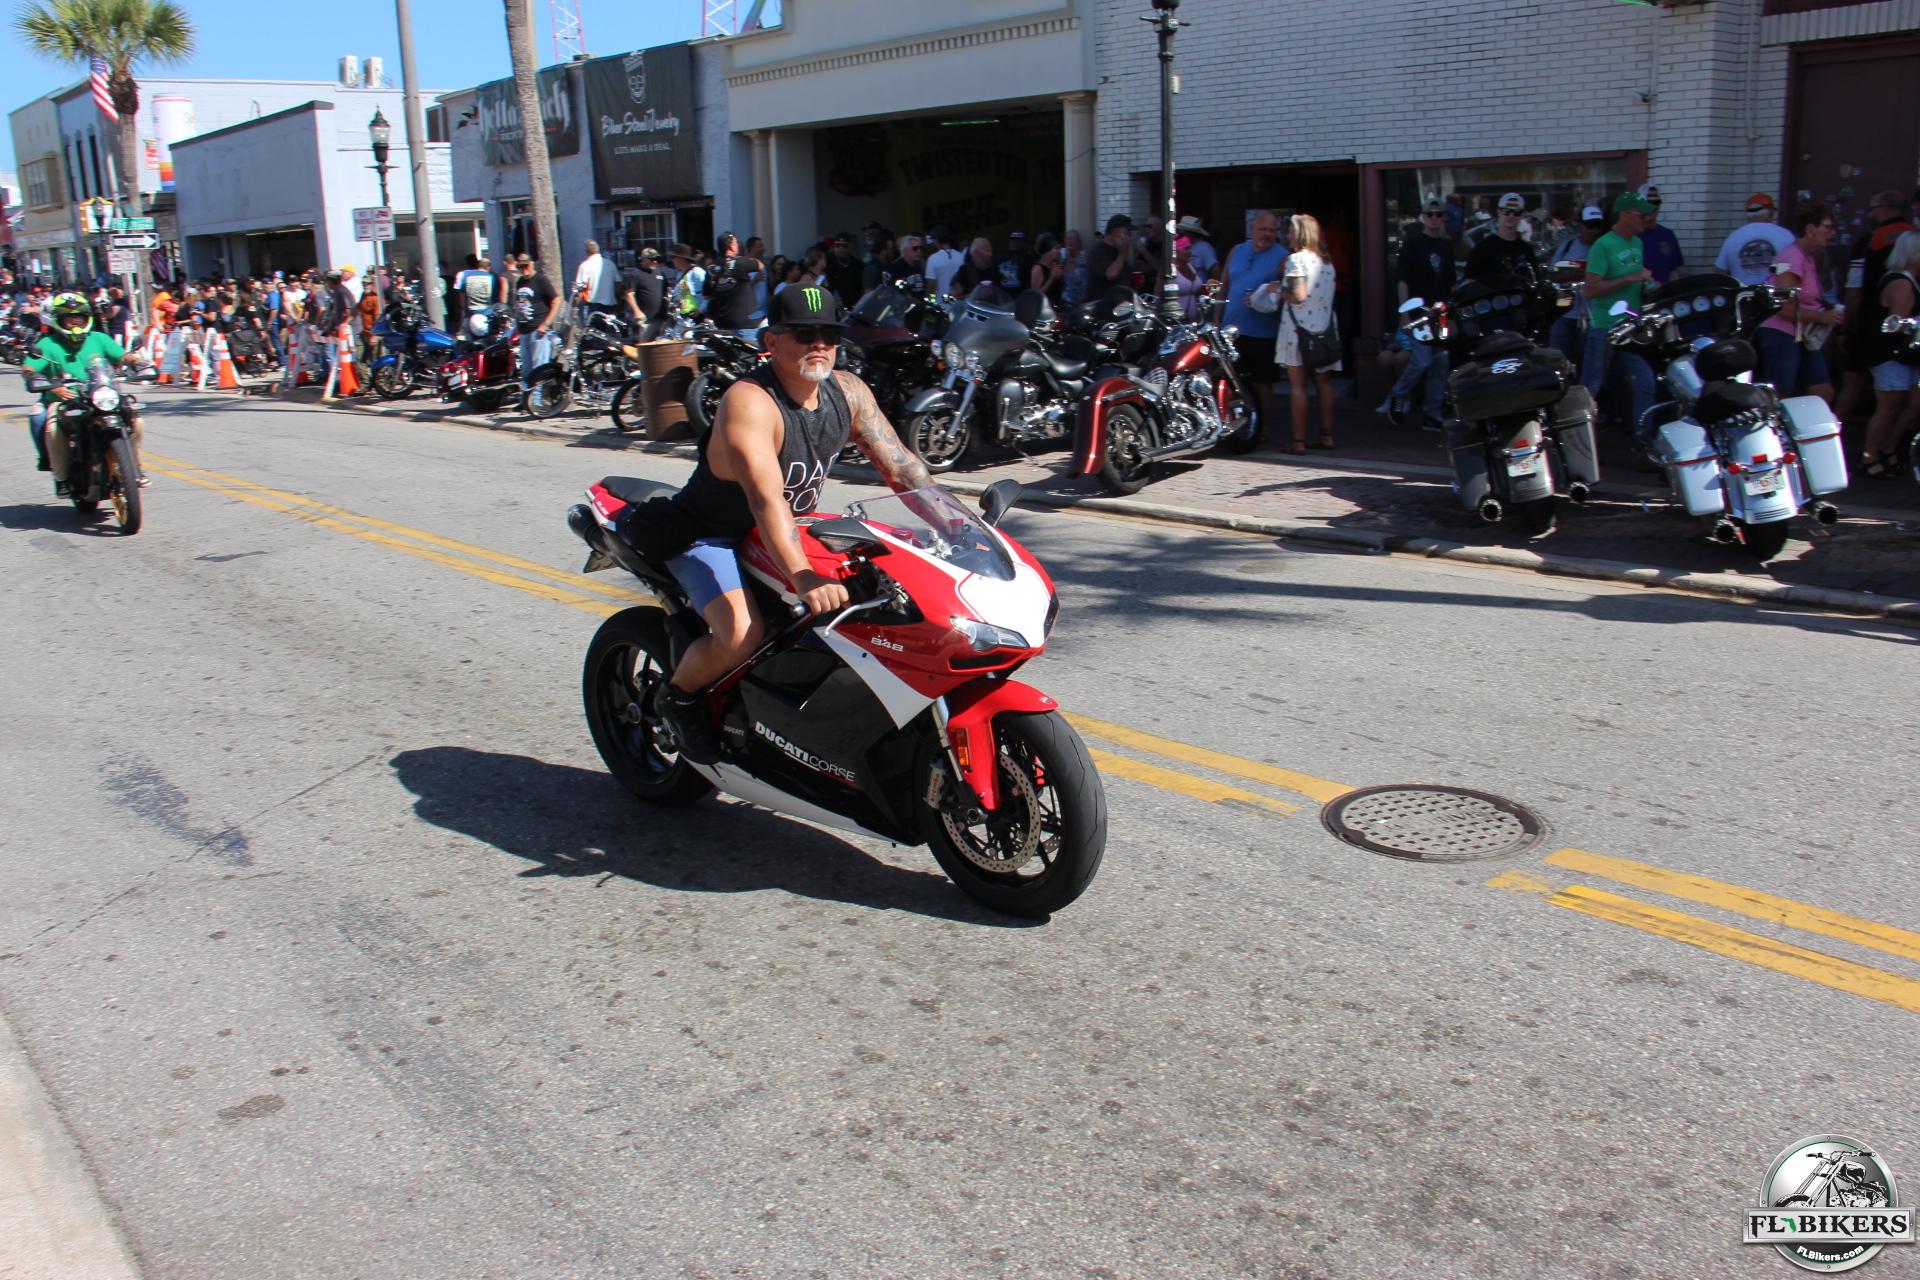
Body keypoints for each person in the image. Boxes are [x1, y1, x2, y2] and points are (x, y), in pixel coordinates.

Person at [638, 285, 934, 762]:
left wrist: (954, 525)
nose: (819, 344)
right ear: (772, 341)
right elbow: (764, 498)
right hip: (714, 534)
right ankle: (679, 698)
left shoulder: (849, 392)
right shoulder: (750, 401)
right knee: (741, 633)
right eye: (803, 333)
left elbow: (903, 469)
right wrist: (803, 577)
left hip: (789, 526)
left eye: (828, 334)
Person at [26, 292, 153, 494]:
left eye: (79, 317)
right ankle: (61, 477)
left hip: (101, 395)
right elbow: (29, 368)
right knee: (52, 429)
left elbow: (122, 356)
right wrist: (49, 385)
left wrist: (138, 363)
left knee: (137, 421)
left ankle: (134, 464)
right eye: (69, 317)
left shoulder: (99, 338)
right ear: (58, 320)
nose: (74, 321)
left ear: (87, 318)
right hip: (65, 401)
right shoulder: (47, 344)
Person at [1581, 192, 1659, 441]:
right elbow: (1591, 290)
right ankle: (1579, 443)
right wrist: (1630, 278)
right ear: (1625, 215)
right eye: (1641, 215)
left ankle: (1644, 442)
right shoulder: (1603, 246)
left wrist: (1647, 285)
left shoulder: (1637, 243)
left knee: (1645, 381)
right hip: (1605, 328)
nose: (1646, 219)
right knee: (1591, 387)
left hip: (1631, 327)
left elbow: (1635, 282)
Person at [1838, 191, 1918, 422]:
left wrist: (1846, 328)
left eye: (1871, 209)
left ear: (1885, 209)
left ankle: (1837, 432)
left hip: (1870, 325)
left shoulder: (1870, 242)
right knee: (1901, 402)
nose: (1869, 215)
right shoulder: (1914, 236)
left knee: (1852, 381)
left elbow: (1854, 292)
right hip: (1906, 339)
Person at [1757, 202, 1844, 405]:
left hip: (1804, 334)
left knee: (1823, 392)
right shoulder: (1790, 257)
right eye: (1828, 227)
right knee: (1780, 395)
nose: (1833, 233)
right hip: (1781, 332)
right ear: (1810, 229)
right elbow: (1783, 307)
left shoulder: (1809, 258)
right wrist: (1823, 317)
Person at [1275, 213, 1340, 454]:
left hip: (1298, 329)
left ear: (1299, 233)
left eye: (1290, 231)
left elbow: (1298, 295)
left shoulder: (1296, 260)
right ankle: (1327, 436)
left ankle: (1299, 441)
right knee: (1324, 382)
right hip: (1324, 329)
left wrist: (1279, 290)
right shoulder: (1327, 262)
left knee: (1298, 385)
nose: (1287, 235)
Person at [1217, 210, 1287, 435]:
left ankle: (1262, 428)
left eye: (1272, 230)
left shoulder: (1283, 256)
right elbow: (1224, 286)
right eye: (1263, 229)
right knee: (1230, 380)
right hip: (1231, 330)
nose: (1267, 234)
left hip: (1263, 332)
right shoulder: (1237, 250)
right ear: (1252, 230)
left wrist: (1275, 290)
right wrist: (1216, 321)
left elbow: (1287, 291)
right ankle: (1232, 426)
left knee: (1262, 383)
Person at [1388, 200, 1456, 427]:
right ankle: (1398, 394)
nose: (1434, 218)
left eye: (1439, 214)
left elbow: (1450, 284)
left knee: (1441, 362)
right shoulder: (1413, 244)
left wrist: (1451, 314)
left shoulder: (1446, 246)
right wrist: (1404, 312)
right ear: (1423, 217)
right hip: (1418, 312)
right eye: (1430, 214)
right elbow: (1403, 280)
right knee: (1421, 360)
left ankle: (1432, 412)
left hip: (1441, 313)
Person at [1857, 230, 1920, 477]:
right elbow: (1895, 324)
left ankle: (1887, 449)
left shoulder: (1908, 280)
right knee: (1888, 407)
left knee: (1906, 405)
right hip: (1889, 354)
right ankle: (1870, 457)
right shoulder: (1901, 283)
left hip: (1902, 355)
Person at [1712, 194, 1795, 287]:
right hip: (1774, 294)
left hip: (1742, 294)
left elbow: (1719, 273)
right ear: (1770, 212)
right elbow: (1796, 268)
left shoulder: (1733, 237)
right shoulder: (1785, 235)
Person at [510, 253, 562, 388]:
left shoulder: (540, 280)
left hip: (538, 330)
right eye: (520, 267)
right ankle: (528, 396)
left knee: (539, 368)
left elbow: (556, 300)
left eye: (525, 266)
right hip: (524, 330)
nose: (523, 269)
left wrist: (546, 324)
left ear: (531, 264)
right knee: (527, 370)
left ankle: (538, 397)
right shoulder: (520, 281)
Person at [1464, 192, 1539, 286]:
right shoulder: (1482, 249)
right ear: (1499, 212)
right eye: (1506, 211)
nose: (1511, 215)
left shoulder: (1527, 250)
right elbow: (1471, 284)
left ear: (1522, 215)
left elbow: (1535, 281)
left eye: (1516, 212)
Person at [703, 232, 762, 341]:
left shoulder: (711, 269)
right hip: (744, 325)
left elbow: (706, 295)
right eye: (736, 242)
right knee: (747, 352)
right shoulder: (741, 263)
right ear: (731, 246)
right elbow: (759, 265)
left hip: (721, 325)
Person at [1634, 184, 1684, 287]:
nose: (1652, 207)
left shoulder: (1667, 235)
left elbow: (1673, 271)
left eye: (1656, 203)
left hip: (1664, 295)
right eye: (1648, 203)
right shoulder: (1630, 237)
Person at [620, 246, 667, 341]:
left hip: (661, 317)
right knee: (645, 342)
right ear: (644, 259)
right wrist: (637, 311)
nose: (655, 261)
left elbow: (666, 292)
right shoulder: (636, 273)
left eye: (656, 259)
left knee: (661, 344)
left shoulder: (660, 272)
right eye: (652, 259)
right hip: (646, 318)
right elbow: (629, 294)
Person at [1083, 214, 1136, 293]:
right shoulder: (1098, 251)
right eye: (1127, 232)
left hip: (1122, 299)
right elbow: (1111, 274)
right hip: (1102, 299)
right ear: (1115, 231)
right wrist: (1123, 252)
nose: (1130, 235)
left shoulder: (1118, 249)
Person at [573, 239, 618, 319]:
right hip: (610, 306)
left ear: (587, 252)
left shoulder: (585, 266)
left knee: (592, 326)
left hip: (593, 307)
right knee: (610, 326)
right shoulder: (610, 264)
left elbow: (579, 291)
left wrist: (575, 308)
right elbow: (618, 283)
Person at [824, 233, 864, 307]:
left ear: (850, 247)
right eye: (837, 245)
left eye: (844, 245)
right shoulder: (828, 265)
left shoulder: (859, 265)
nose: (840, 248)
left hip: (855, 307)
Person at [924, 227, 964, 299]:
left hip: (941, 303)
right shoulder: (961, 256)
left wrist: (931, 302)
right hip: (959, 302)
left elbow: (931, 287)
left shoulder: (932, 259)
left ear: (936, 240)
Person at [1171, 236, 1205, 320]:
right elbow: (1158, 294)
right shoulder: (1169, 269)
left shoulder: (1191, 267)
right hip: (1175, 320)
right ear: (1176, 251)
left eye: (1190, 248)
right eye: (1186, 248)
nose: (1190, 252)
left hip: (1194, 321)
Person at [1176, 215, 1218, 280]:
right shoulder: (1179, 245)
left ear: (1191, 233)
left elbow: (1215, 270)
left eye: (1182, 231)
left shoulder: (1204, 247)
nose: (1180, 233)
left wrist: (1211, 286)